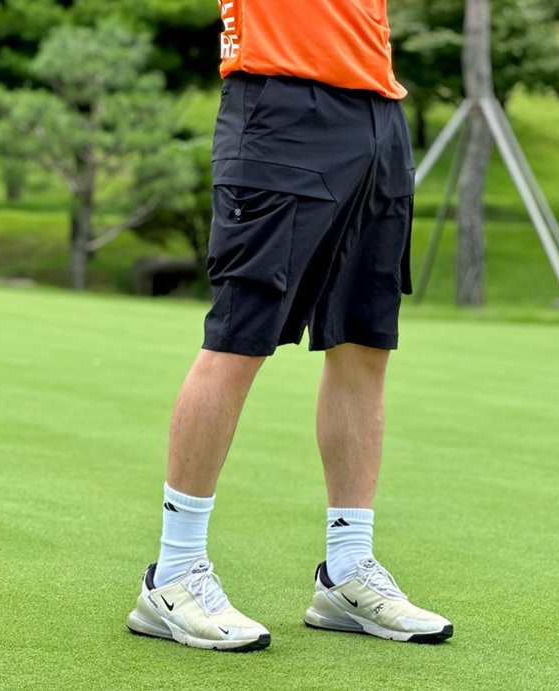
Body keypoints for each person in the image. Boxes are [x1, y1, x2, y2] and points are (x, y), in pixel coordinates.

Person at [126, 0, 453, 651]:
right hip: (280, 107)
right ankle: (174, 574)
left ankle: (347, 570)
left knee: (364, 342)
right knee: (238, 338)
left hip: (377, 108)